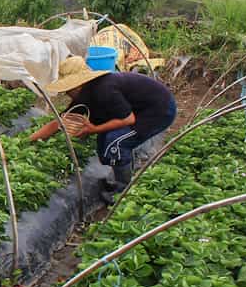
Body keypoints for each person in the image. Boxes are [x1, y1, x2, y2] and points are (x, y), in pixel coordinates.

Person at [29, 56, 176, 199]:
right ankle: (122, 177)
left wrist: (92, 129)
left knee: (115, 142)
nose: (66, 93)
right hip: (141, 110)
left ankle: (123, 192)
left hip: (159, 111)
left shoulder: (104, 89)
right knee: (105, 143)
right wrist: (29, 141)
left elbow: (127, 119)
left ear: (78, 84)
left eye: (68, 88)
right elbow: (59, 122)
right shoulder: (85, 94)